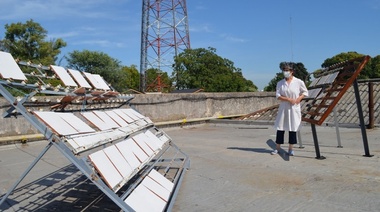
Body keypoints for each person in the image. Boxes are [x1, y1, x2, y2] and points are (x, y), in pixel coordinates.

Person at [271, 63, 308, 156]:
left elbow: (305, 92)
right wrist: (288, 99)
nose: (285, 72)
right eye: (284, 70)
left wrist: (299, 99)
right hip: (284, 107)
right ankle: (277, 148)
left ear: (292, 72)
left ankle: (290, 148)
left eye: (287, 70)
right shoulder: (280, 83)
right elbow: (278, 95)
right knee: (280, 128)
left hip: (294, 107)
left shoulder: (298, 82)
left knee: (293, 128)